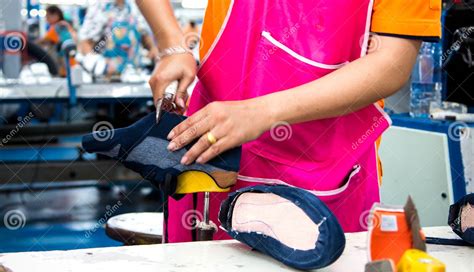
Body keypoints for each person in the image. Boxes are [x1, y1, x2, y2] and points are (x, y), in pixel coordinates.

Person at [136, 0, 442, 243]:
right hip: (210, 168)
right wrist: (171, 44)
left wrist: (260, 113)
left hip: (324, 180)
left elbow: (391, 64)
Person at [78, 0, 157, 76]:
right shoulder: (100, 6)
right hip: (108, 79)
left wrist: (153, 49)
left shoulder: (134, 5)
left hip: (135, 75)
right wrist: (94, 61)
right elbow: (85, 42)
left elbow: (143, 34)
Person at [38, 5, 77, 77]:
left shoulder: (57, 27)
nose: (46, 19)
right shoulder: (64, 24)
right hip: (71, 63)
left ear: (56, 15)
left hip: (64, 65)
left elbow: (44, 40)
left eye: (48, 16)